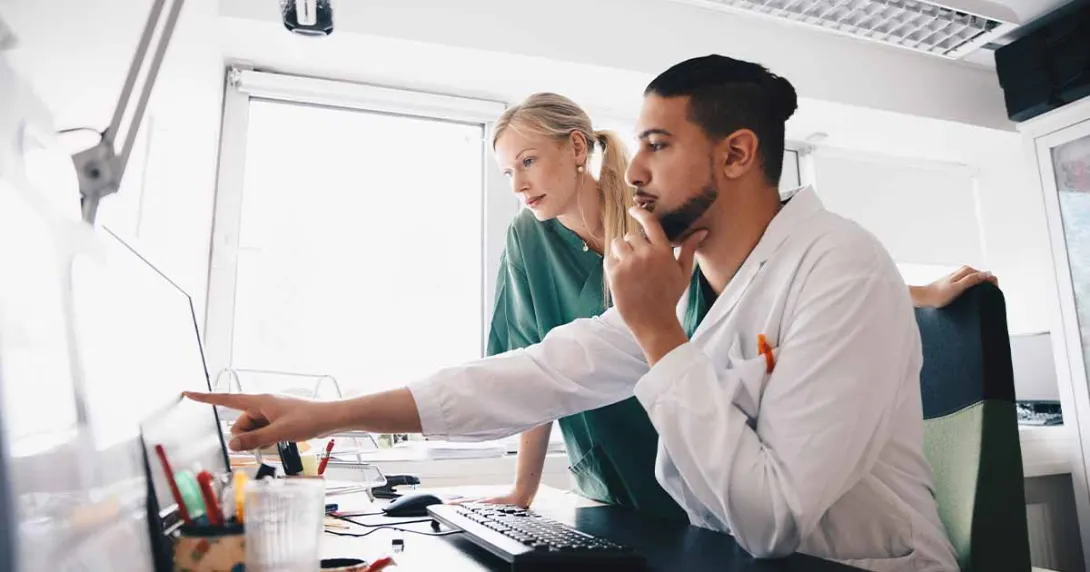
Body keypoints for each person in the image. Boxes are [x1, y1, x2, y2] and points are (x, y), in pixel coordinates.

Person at [189, 56, 965, 570]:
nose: (639, 170)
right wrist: (323, 415)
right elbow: (533, 376)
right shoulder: (691, 282)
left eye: (658, 145)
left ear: (736, 154)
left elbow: (771, 519)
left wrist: (660, 333)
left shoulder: (839, 264)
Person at [479, 92, 996, 515]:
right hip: (606, 466)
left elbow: (774, 275)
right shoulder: (526, 240)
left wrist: (920, 294)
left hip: (691, 433)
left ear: (574, 148)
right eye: (507, 173)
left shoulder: (651, 213)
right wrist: (523, 492)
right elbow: (532, 369)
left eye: (528, 162)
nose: (519, 184)